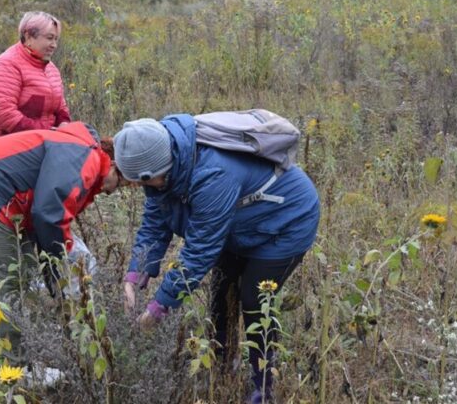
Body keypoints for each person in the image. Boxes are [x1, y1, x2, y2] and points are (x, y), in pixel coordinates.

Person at [115, 115, 320, 404]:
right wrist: (134, 276)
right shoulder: (166, 163)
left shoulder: (214, 174)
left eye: (141, 181)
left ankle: (264, 385)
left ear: (160, 169)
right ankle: (223, 363)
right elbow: (154, 221)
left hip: (287, 221)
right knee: (220, 291)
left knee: (254, 298)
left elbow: (199, 252)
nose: (138, 187)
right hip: (240, 224)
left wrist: (158, 308)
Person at [0, 121, 121, 361]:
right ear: (114, 166)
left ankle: (26, 342)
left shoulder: (81, 152)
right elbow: (48, 217)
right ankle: (9, 365)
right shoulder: (84, 158)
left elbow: (45, 221)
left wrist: (56, 277)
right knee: (9, 280)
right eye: (123, 183)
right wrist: (63, 268)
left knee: (24, 271)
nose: (115, 191)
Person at [0, 11, 70, 144]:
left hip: (38, 143)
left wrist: (64, 124)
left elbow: (60, 106)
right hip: (1, 148)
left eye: (56, 39)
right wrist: (47, 133)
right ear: (29, 36)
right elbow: (5, 115)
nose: (54, 45)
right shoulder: (5, 65)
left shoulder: (51, 68)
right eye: (49, 38)